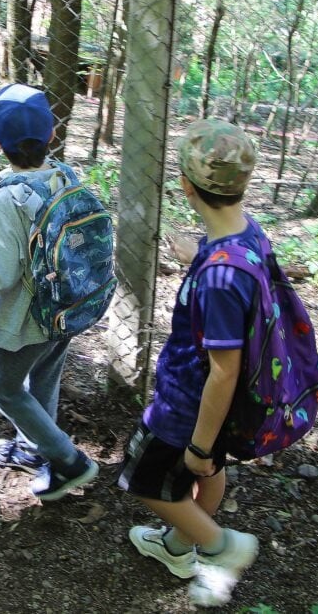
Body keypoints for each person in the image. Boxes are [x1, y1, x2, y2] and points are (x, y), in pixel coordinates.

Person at [116, 119, 261, 607]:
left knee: (144, 480)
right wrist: (199, 253)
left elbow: (224, 368)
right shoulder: (247, 238)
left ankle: (222, 547)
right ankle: (179, 546)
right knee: (207, 469)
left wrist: (197, 442)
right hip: (217, 406)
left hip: (187, 404)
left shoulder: (220, 277)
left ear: (185, 185)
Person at [0, 83, 99, 501]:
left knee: (2, 387)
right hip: (69, 304)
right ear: (52, 135)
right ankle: (35, 450)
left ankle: (70, 461)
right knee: (44, 375)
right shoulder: (63, 176)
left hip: (28, 317)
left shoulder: (10, 199)